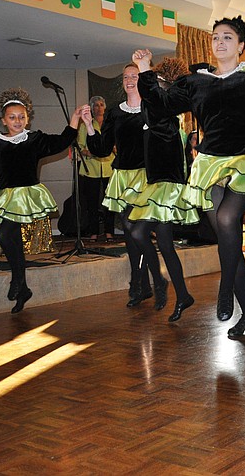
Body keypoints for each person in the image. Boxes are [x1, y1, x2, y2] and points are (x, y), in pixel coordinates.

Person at [133, 15, 245, 337]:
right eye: (215, 37)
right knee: (227, 240)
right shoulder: (195, 82)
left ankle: (225, 290)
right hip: (211, 162)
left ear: (242, 45)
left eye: (228, 37)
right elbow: (160, 106)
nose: (220, 42)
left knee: (228, 220)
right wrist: (146, 71)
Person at [0, 88, 89, 313]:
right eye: (12, 117)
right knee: (9, 237)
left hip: (26, 196)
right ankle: (22, 285)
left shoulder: (34, 139)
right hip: (7, 195)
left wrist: (75, 119)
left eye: (22, 117)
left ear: (28, 118)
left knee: (5, 234)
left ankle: (19, 282)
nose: (18, 121)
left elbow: (61, 142)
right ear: (4, 120)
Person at [126, 56, 199, 322]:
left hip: (167, 185)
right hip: (156, 182)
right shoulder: (155, 111)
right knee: (158, 241)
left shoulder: (164, 114)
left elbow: (153, 99)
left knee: (142, 232)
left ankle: (172, 289)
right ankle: (176, 291)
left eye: (154, 85)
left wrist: (145, 72)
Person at [86, 63, 153, 307]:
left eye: (134, 75)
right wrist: (87, 126)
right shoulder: (115, 112)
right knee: (129, 231)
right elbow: (102, 148)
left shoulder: (152, 107)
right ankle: (140, 283)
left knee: (140, 232)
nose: (129, 80)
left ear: (143, 78)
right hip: (123, 177)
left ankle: (140, 282)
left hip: (148, 176)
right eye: (126, 76)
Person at [77, 96, 115, 242]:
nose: (99, 108)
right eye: (96, 105)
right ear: (92, 109)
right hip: (90, 169)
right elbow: (80, 147)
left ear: (105, 107)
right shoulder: (84, 125)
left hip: (109, 167)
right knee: (92, 202)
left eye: (101, 105)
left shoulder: (110, 124)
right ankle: (93, 232)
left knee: (110, 201)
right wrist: (90, 152)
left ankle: (109, 232)